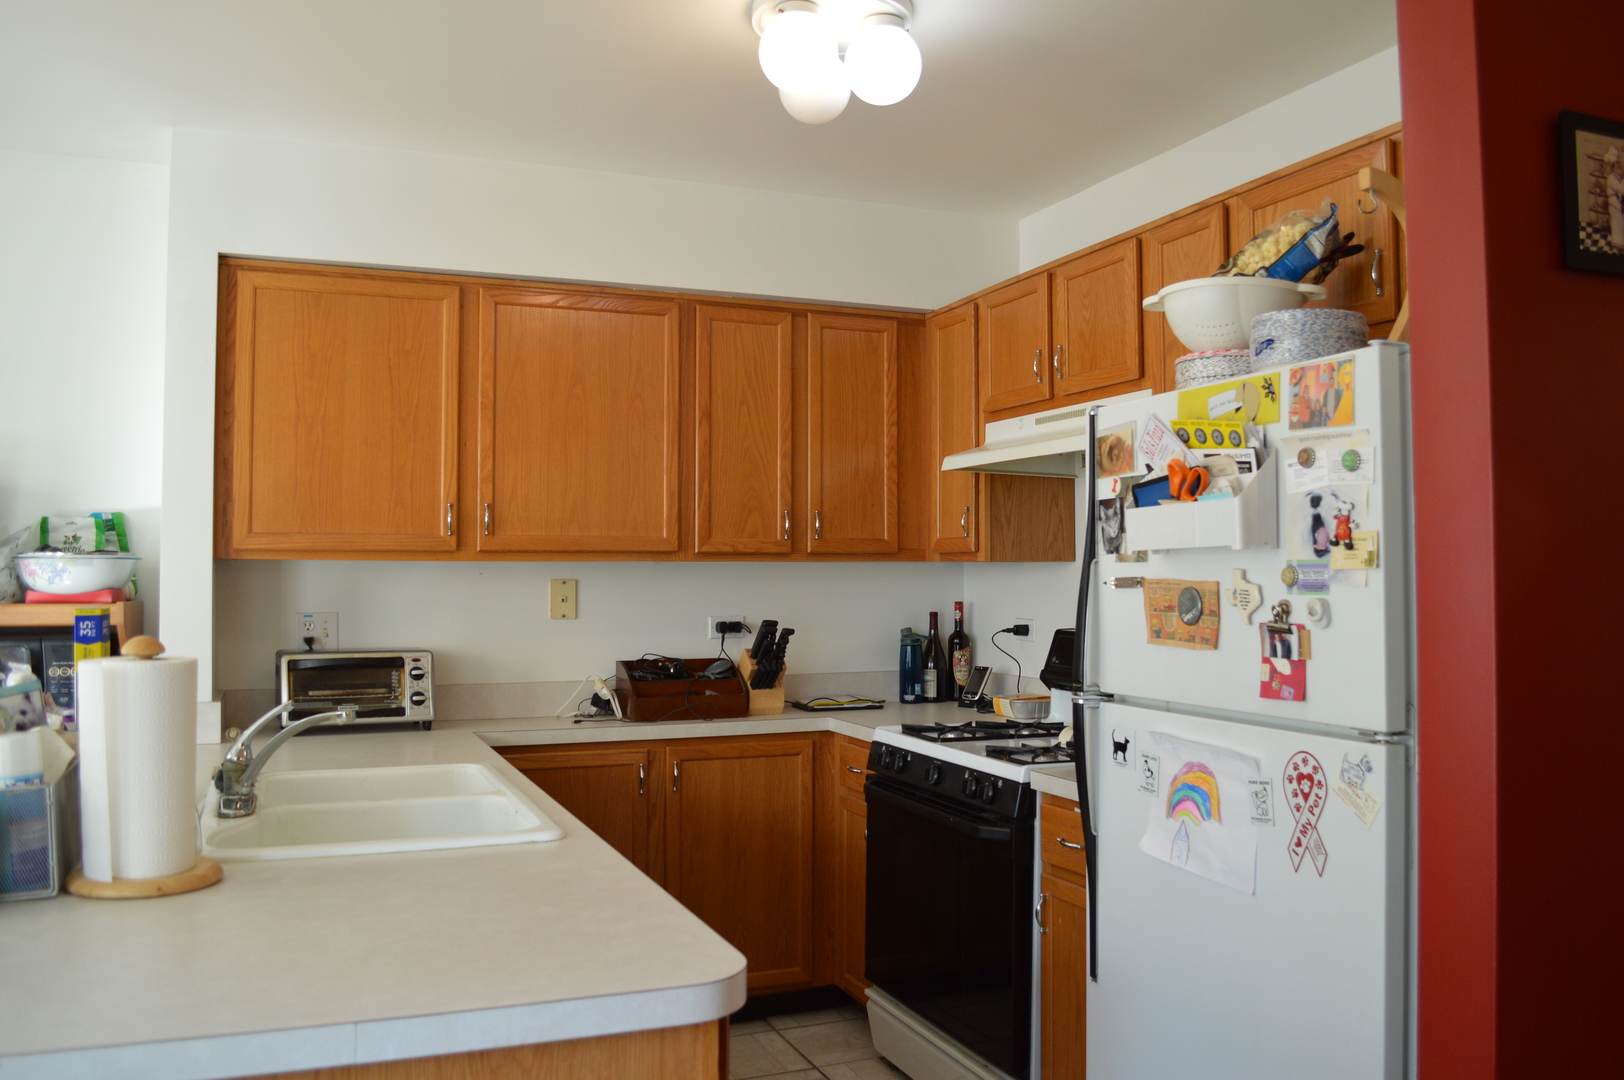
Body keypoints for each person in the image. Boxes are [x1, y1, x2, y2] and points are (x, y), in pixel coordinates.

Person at [1607, 145, 1624, 254]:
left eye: (1621, 167)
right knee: (1617, 224)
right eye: (1618, 168)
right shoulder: (1611, 179)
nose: (1621, 170)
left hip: (1618, 204)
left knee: (1621, 224)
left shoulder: (1619, 178)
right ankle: (1618, 245)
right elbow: (1620, 189)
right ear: (1613, 169)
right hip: (1614, 204)